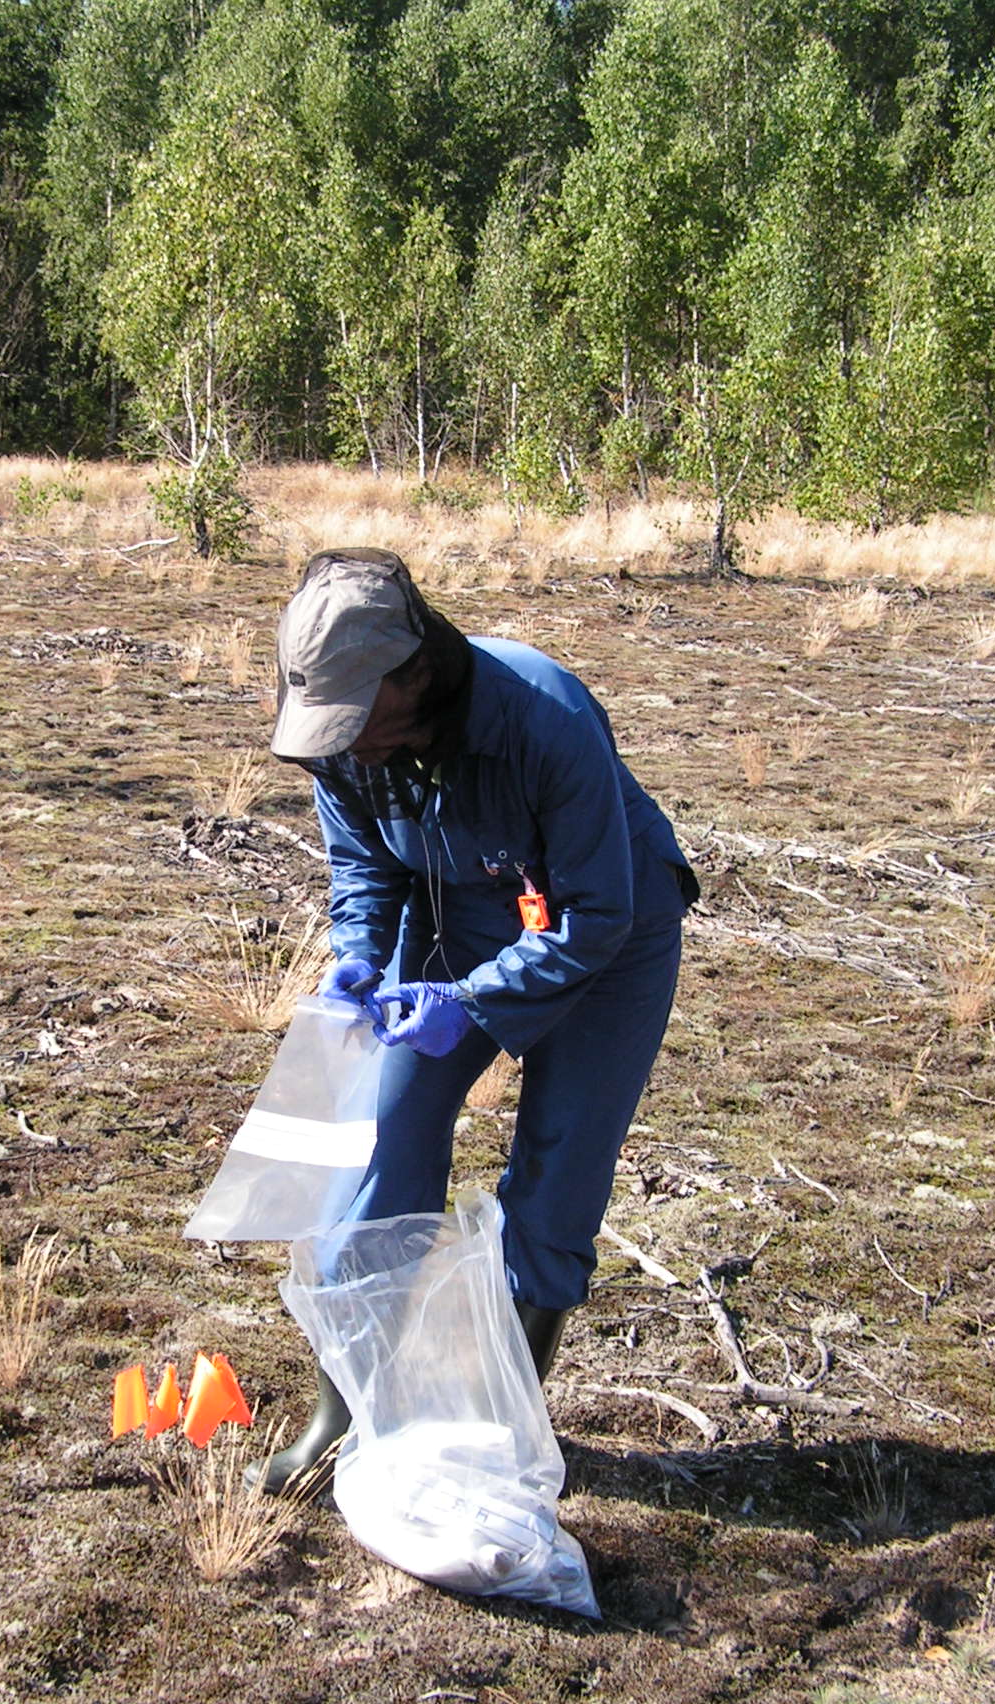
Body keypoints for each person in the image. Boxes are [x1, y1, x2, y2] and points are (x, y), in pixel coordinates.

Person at [256, 546, 698, 1494]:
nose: (346, 745)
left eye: (356, 721)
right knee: (392, 1126)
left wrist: (474, 1003)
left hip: (608, 926)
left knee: (560, 1162)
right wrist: (362, 955)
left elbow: (596, 915)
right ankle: (345, 1409)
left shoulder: (546, 714)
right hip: (459, 914)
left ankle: (502, 1423)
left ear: (414, 674)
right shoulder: (341, 739)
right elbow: (367, 867)